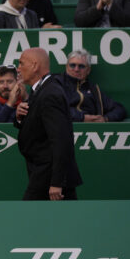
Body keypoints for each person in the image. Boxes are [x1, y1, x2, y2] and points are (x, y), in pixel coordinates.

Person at [13, 47, 82, 201]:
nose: (18, 68)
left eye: (21, 63)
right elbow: (37, 125)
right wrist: (19, 116)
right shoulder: (40, 89)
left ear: (35, 65)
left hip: (48, 175)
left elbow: (61, 140)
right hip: (42, 172)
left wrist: (57, 182)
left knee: (29, 218)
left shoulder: (50, 93)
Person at [54, 49, 127, 123]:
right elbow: (53, 108)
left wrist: (105, 119)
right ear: (67, 67)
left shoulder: (93, 89)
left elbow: (119, 109)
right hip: (63, 129)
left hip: (91, 131)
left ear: (88, 70)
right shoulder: (56, 83)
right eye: (72, 65)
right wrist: (82, 118)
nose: (76, 69)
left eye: (81, 66)